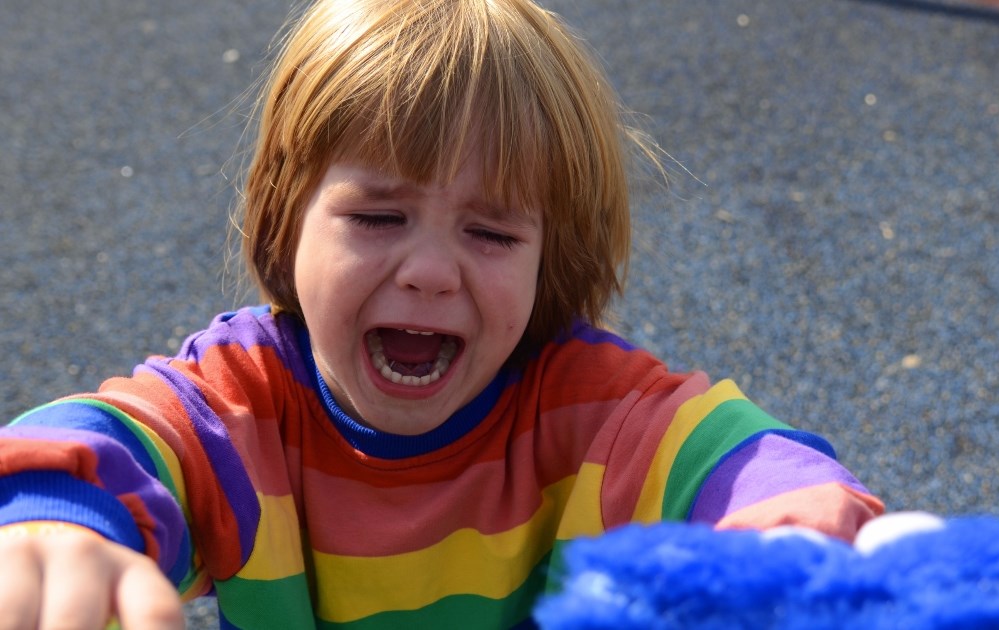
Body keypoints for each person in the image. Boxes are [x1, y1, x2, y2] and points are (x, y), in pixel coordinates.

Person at [0, 0, 885, 627]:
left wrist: (796, 519)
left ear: (551, 261)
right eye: (378, 217)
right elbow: (122, 436)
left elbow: (737, 456)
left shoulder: (585, 416)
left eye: (492, 232)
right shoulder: (242, 409)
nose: (428, 271)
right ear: (284, 221)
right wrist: (48, 517)